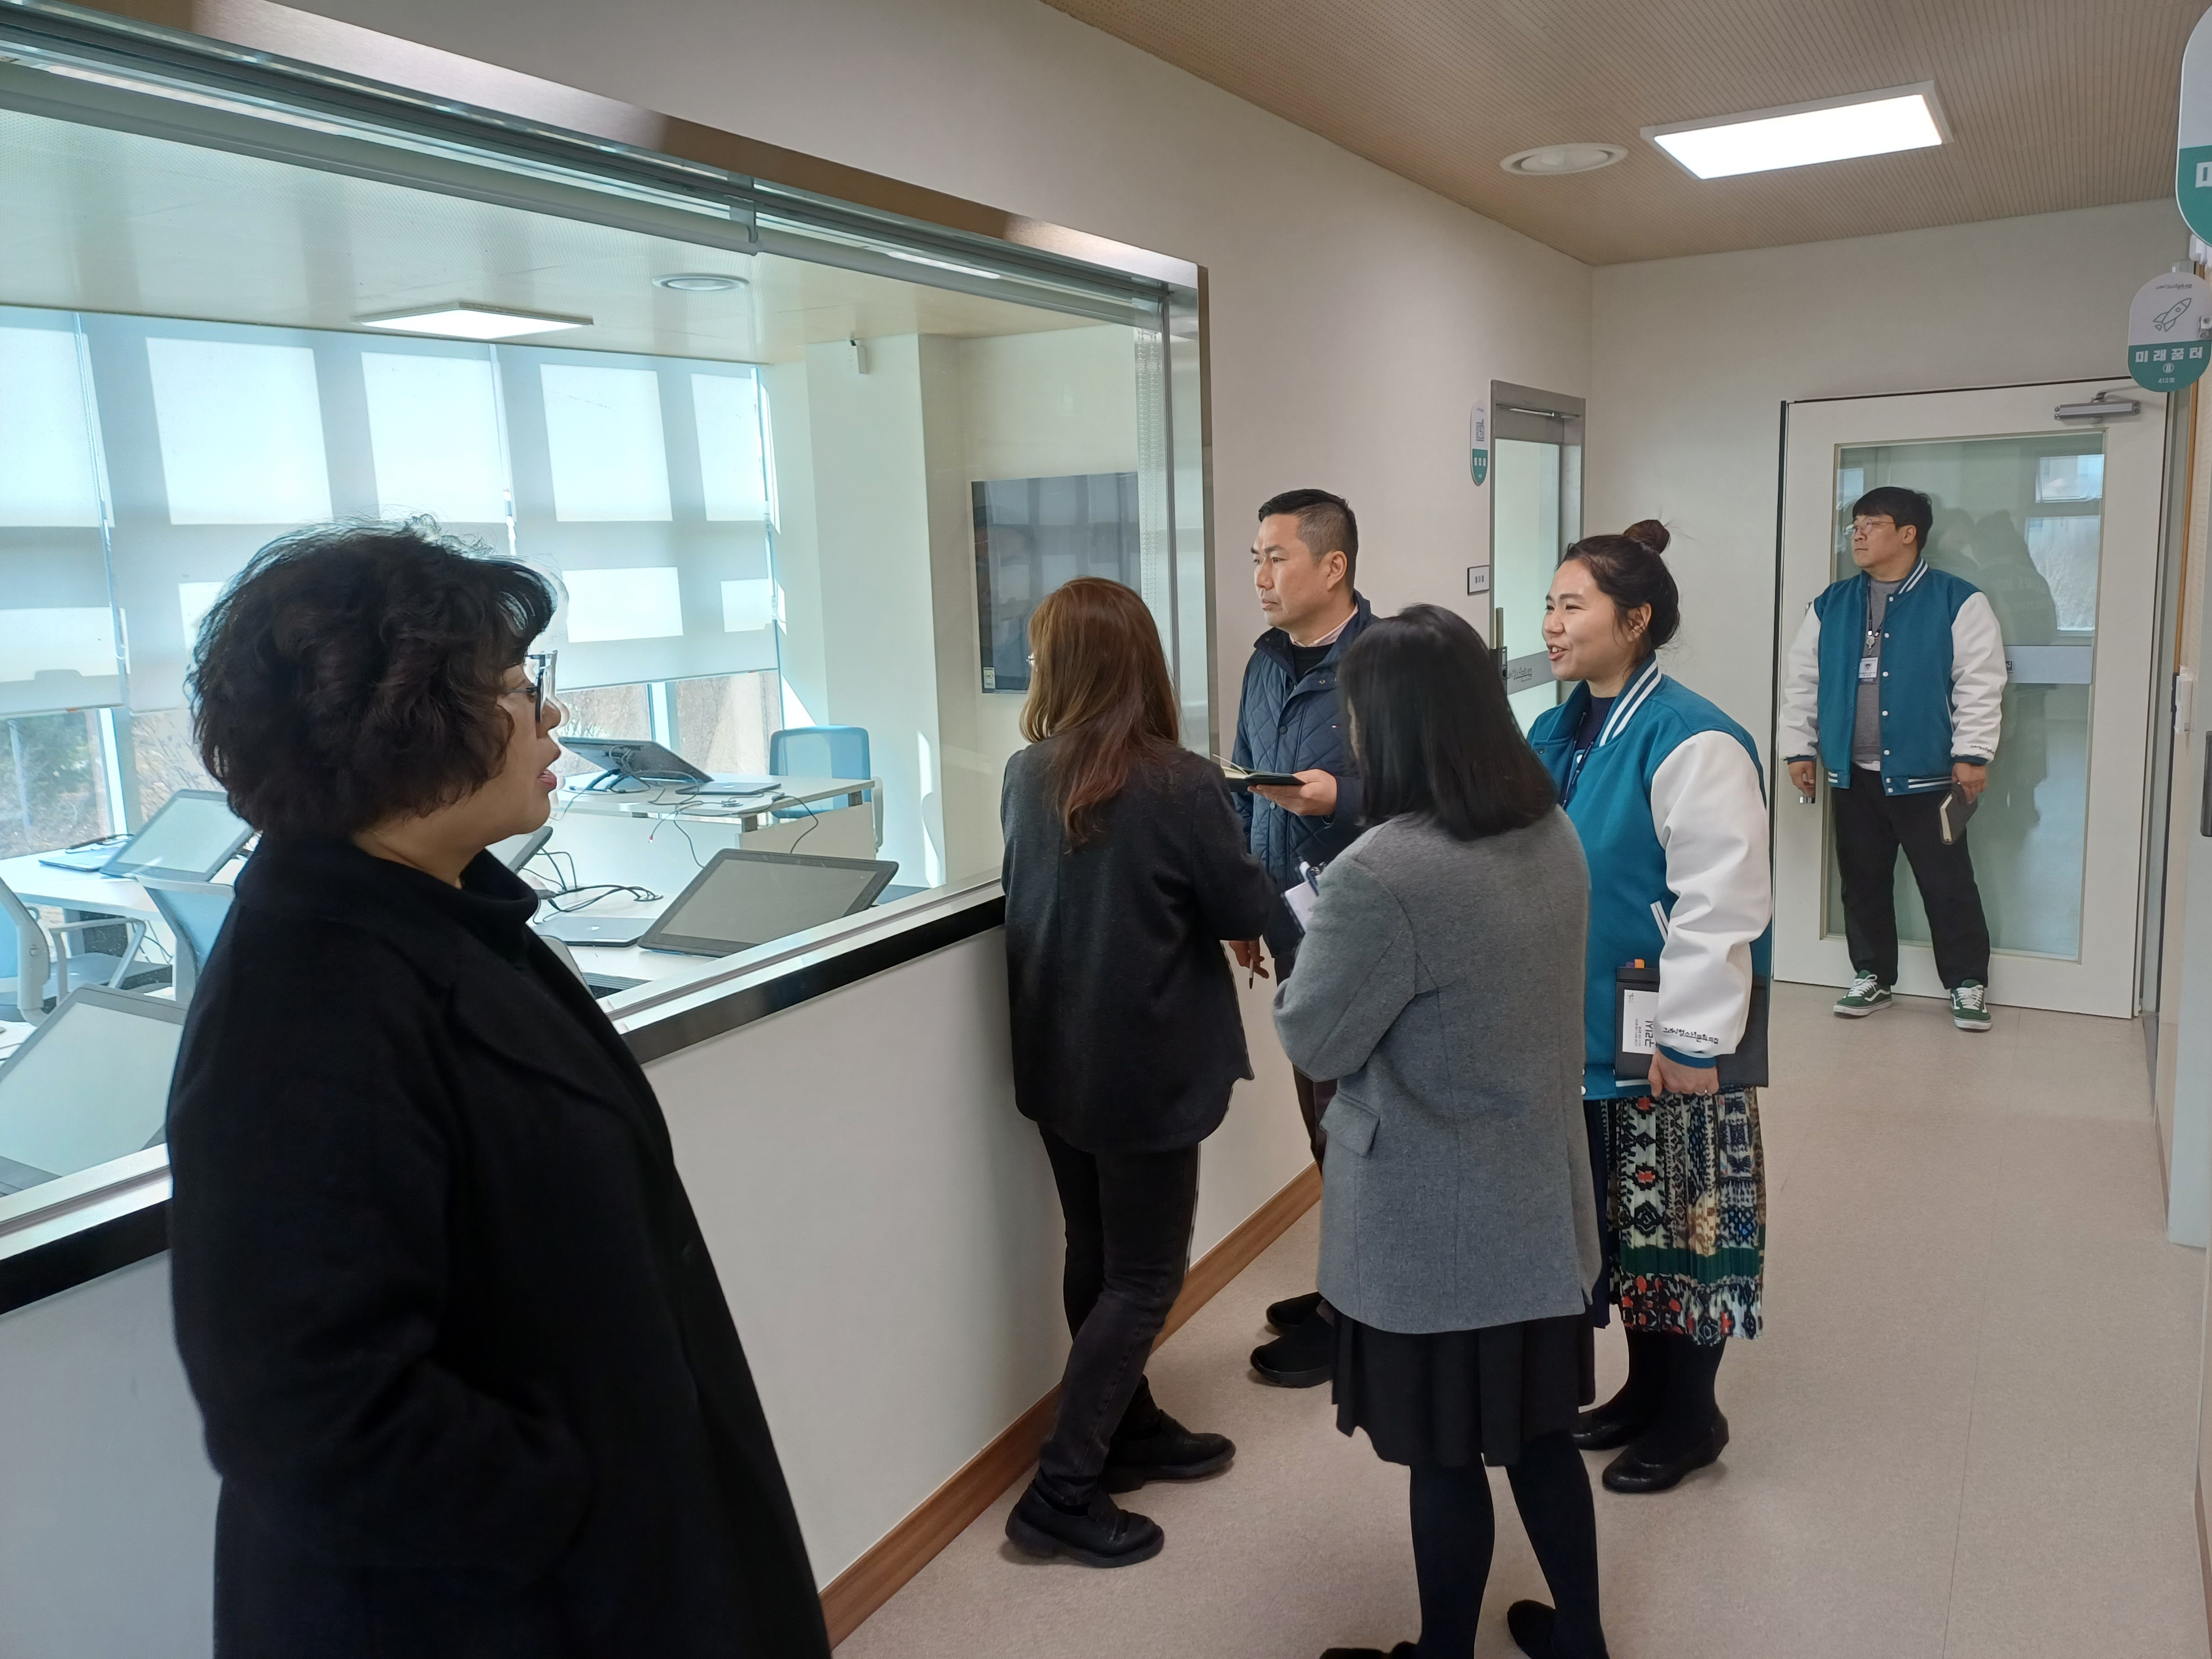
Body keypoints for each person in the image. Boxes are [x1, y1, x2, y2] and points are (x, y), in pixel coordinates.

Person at [166, 522, 830, 1657]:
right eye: (521, 688)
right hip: (496, 1608)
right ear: (410, 719)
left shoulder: (450, 920)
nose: (550, 716)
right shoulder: (307, 1004)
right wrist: (581, 1503)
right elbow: (316, 1416)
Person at [1278, 604, 1608, 1659]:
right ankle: (1584, 1639)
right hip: (1540, 1202)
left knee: (1447, 1457)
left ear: (1393, 725)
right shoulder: (1548, 829)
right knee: (1542, 1437)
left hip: (1436, 1222)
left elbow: (1318, 1039)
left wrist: (1309, 946)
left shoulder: (1383, 873)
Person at [999, 577, 1277, 1568]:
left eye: (1041, 652)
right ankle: (1063, 1490)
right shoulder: (1180, 782)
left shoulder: (1027, 773)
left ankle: (1129, 1428)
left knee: (1097, 1253)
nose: (1033, 665)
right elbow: (1240, 905)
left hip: (1059, 1058)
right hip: (1146, 1067)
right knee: (1147, 1277)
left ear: (1067, 667)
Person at [1529, 520, 1772, 1496]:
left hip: (1673, 1031)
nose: (1551, 624)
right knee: (1630, 1224)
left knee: (1687, 1220)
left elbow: (1721, 904)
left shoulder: (1691, 738)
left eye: (1571, 606)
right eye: (1549, 605)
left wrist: (1693, 1035)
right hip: (1590, 1027)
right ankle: (1642, 1392)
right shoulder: (1559, 730)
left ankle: (1693, 1416)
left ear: (1634, 622)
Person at [1233, 487, 1374, 1387]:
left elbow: (1433, 791)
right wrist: (1243, 903)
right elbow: (1246, 783)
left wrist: (1342, 800)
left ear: (1334, 566)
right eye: (1255, 558)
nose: (1260, 576)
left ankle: (1356, 1316)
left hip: (1366, 932)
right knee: (1320, 1124)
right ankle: (1344, 1291)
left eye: (1276, 557)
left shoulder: (1384, 664)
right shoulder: (1266, 663)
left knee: (1357, 1127)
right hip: (1290, 928)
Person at [1778, 484, 2006, 1031]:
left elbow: (1979, 682)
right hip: (1852, 774)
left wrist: (1972, 753)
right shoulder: (1831, 604)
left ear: (1908, 534)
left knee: (1947, 884)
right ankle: (1873, 974)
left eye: (1871, 525)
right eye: (1854, 525)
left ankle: (1967, 982)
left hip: (1928, 776)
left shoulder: (1957, 600)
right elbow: (1802, 681)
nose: (1857, 535)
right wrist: (1798, 748)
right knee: (1863, 882)